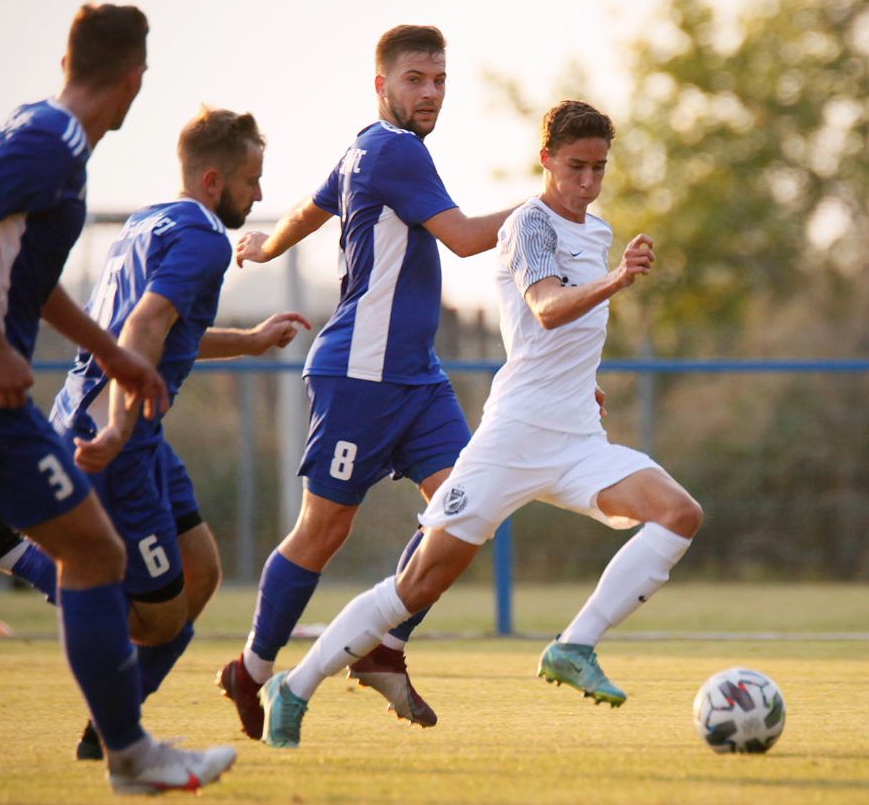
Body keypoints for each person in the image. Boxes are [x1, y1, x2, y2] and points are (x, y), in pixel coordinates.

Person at [255, 99, 703, 748]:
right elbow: (547, 308)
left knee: (678, 513)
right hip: (512, 439)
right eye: (575, 166)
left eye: (598, 168)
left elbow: (558, 336)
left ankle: (574, 646)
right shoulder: (529, 225)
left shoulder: (597, 230)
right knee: (417, 584)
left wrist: (582, 378)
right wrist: (615, 281)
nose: (587, 181)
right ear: (545, 160)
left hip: (578, 439)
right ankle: (293, 686)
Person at [0, 3, 239, 794]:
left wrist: (113, 355)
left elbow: (30, 283)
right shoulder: (52, 144)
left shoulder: (38, 130)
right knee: (95, 554)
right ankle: (129, 755)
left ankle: (125, 747)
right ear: (135, 79)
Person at [0, 107, 309, 761]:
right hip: (116, 433)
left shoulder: (147, 223)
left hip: (127, 426)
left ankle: (107, 735)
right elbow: (144, 328)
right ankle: (11, 549)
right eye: (251, 180)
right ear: (213, 181)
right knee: (155, 619)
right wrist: (123, 427)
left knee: (201, 575)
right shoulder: (206, 240)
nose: (259, 193)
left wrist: (248, 341)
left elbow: (162, 329)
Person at [217, 24, 515, 740]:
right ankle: (251, 670)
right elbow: (465, 239)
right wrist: (550, 205)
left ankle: (384, 645)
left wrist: (268, 245)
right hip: (358, 373)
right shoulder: (393, 150)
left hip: (416, 378)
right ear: (380, 85)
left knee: (467, 510)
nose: (431, 93)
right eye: (415, 79)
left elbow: (311, 207)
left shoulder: (366, 148)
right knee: (323, 532)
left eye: (439, 80)